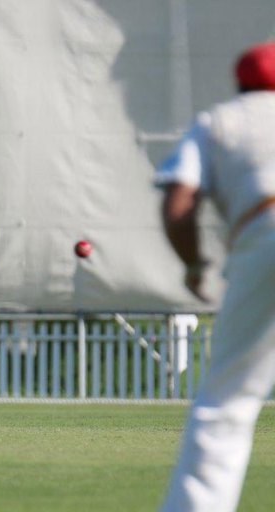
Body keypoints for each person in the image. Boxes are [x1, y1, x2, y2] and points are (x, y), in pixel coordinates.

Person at [155, 40, 275, 512]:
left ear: (239, 82)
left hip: (262, 237)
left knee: (225, 403)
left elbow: (178, 205)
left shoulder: (219, 121)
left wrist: (194, 265)